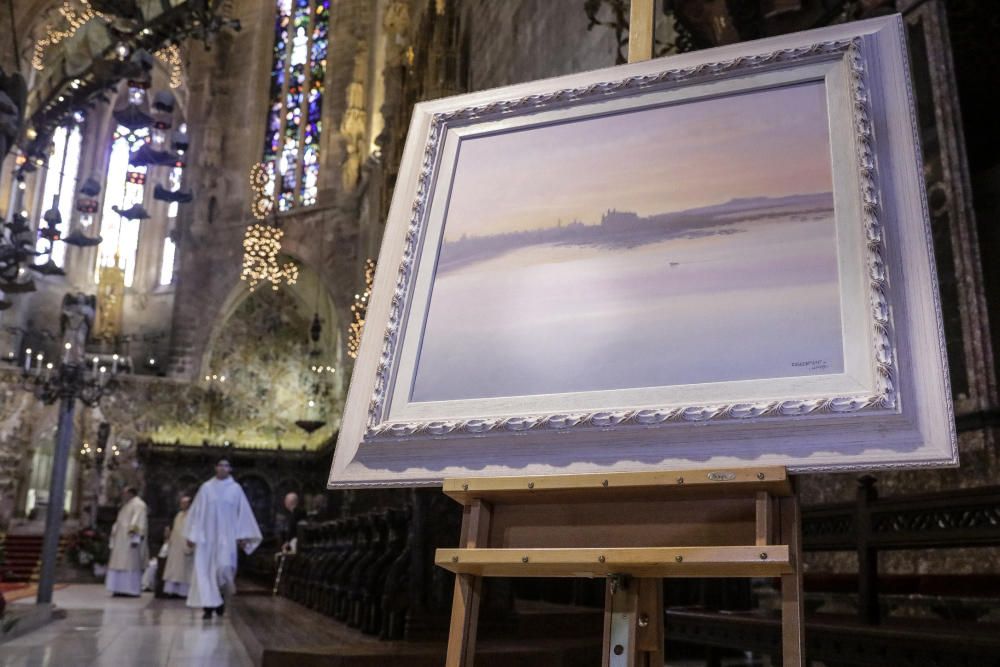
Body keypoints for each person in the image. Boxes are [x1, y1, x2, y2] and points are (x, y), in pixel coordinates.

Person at [184, 459, 262, 619]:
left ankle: (220, 600)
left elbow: (244, 513)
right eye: (220, 465)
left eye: (226, 465)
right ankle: (208, 607)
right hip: (207, 538)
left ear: (230, 469)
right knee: (206, 572)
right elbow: (196, 513)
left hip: (227, 537)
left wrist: (243, 536)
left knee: (225, 569)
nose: (222, 468)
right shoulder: (206, 488)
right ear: (215, 468)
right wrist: (192, 535)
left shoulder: (235, 489)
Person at [105, 487, 148, 597]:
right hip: (121, 541)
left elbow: (138, 521)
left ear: (130, 493)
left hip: (130, 541)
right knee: (119, 564)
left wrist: (135, 538)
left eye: (124, 493)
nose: (123, 495)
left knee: (130, 565)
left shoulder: (139, 504)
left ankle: (131, 590)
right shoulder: (126, 505)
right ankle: (118, 588)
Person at [163, 495, 194, 598]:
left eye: (185, 503)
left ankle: (184, 592)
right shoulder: (179, 515)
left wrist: (192, 542)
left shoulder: (193, 515)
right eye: (181, 503)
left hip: (186, 545)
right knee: (174, 570)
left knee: (185, 571)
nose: (182, 505)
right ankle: (172, 591)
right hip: (176, 546)